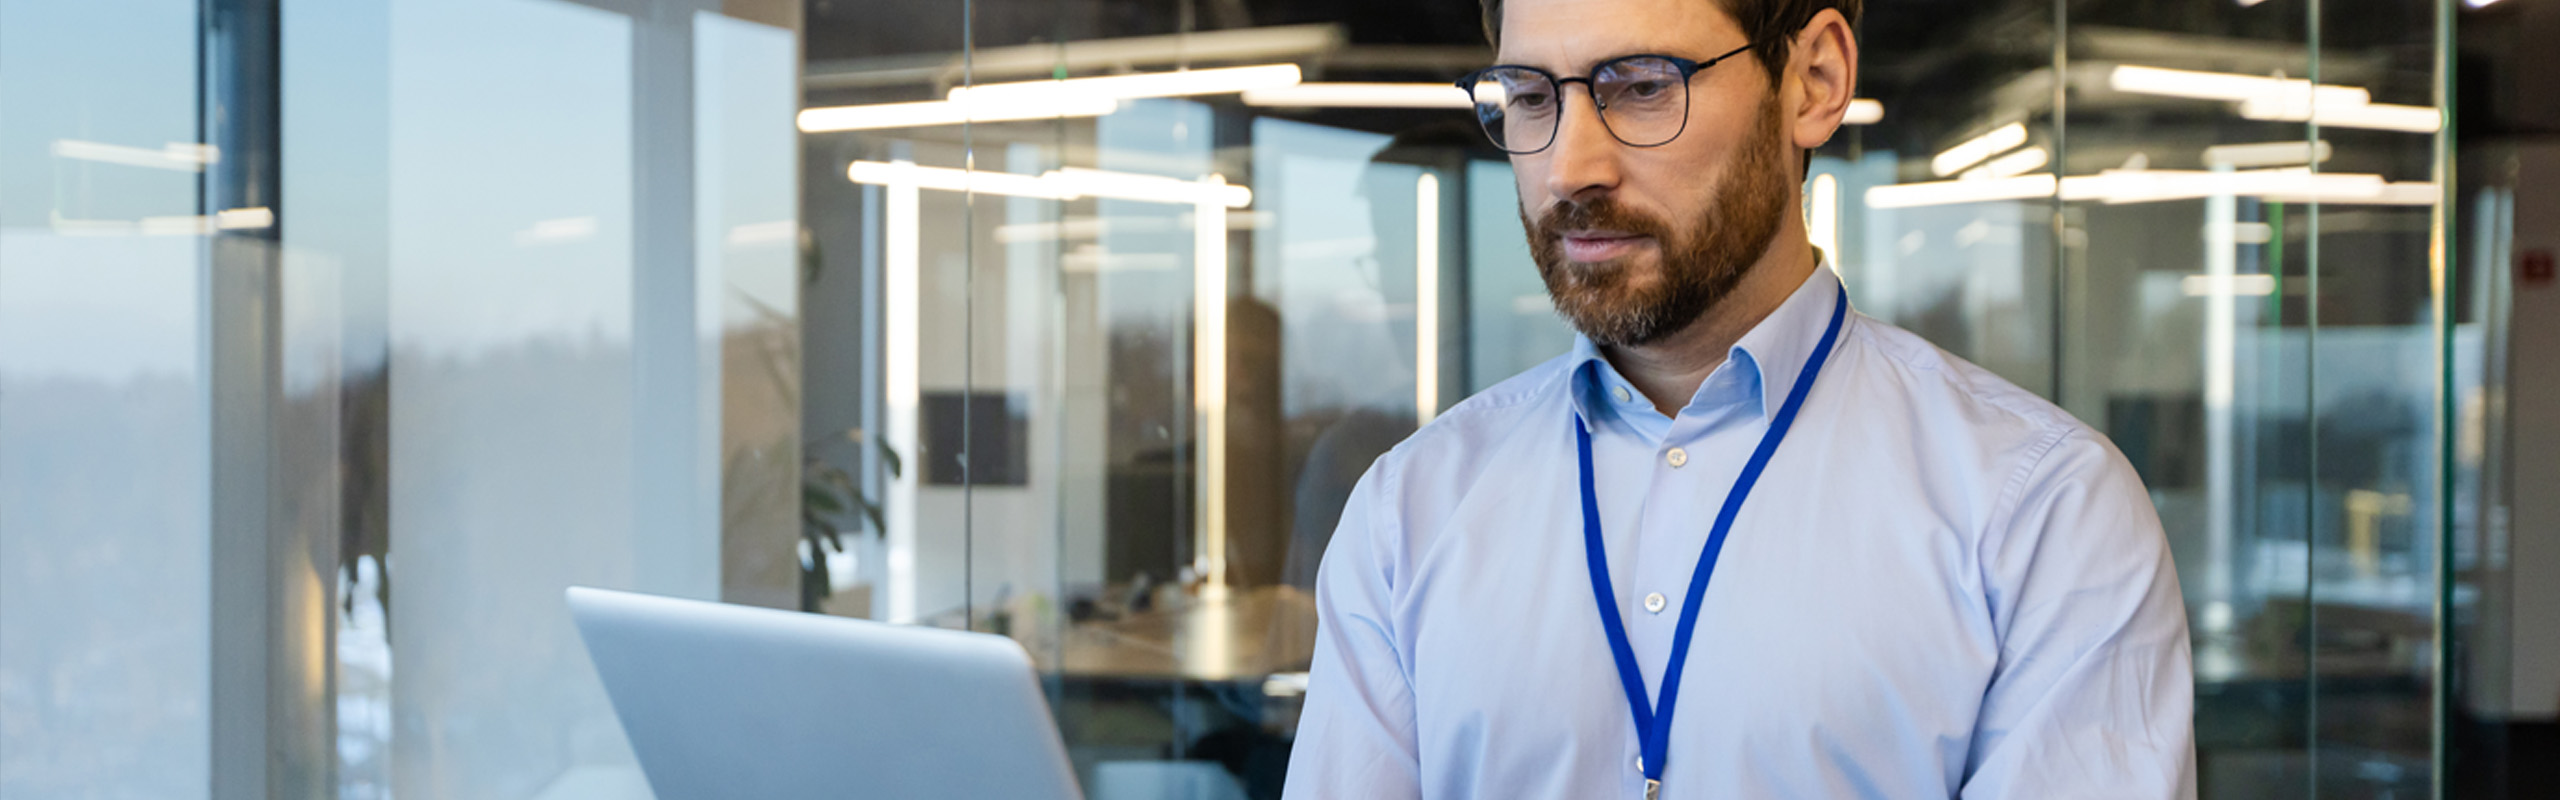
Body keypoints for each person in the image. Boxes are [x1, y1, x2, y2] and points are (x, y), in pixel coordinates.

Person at [1280, 0, 2197, 797]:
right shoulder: (1410, 512)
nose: (1568, 168)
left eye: (1640, 84)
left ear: (1814, 81)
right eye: (1529, 97)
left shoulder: (2042, 513)